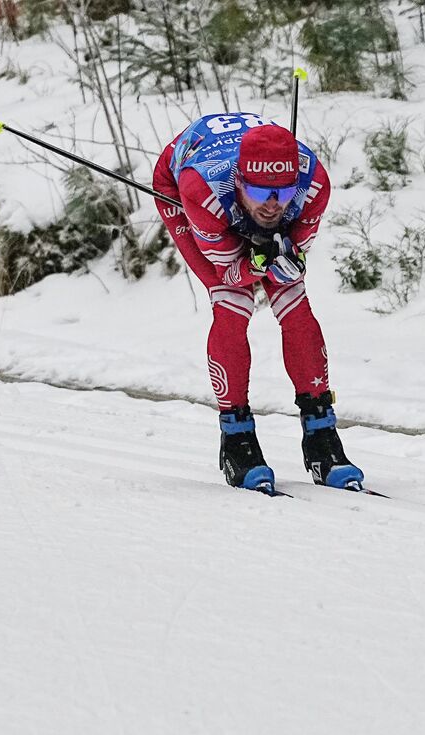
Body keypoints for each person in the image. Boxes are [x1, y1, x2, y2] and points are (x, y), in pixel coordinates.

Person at [152, 112, 362, 493]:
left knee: (294, 298)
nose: (272, 205)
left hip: (239, 180)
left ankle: (320, 435)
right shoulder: (203, 190)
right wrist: (254, 263)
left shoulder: (313, 184)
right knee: (232, 302)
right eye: (261, 193)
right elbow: (231, 271)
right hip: (181, 180)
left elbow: (290, 259)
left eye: (282, 194)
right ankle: (236, 439)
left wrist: (280, 256)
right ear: (239, 181)